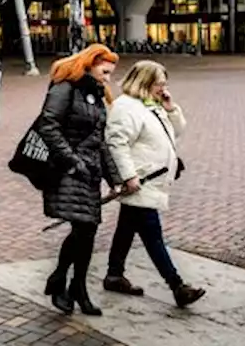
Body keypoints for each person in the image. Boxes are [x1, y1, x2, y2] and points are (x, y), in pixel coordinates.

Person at [103, 60, 206, 307]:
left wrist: (171, 108)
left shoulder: (151, 104)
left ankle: (114, 274)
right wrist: (128, 176)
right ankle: (176, 285)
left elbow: (176, 132)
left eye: (164, 83)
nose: (163, 88)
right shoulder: (126, 106)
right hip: (141, 180)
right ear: (145, 82)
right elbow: (116, 143)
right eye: (159, 83)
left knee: (127, 229)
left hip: (151, 179)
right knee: (152, 234)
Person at [35, 43, 122, 316]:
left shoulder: (95, 94)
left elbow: (100, 141)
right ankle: (66, 282)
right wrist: (72, 161)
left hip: (89, 171)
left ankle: (72, 284)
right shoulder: (66, 87)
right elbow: (47, 125)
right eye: (105, 72)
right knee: (84, 228)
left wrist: (114, 177)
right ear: (90, 63)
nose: (108, 78)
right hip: (68, 171)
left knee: (87, 231)